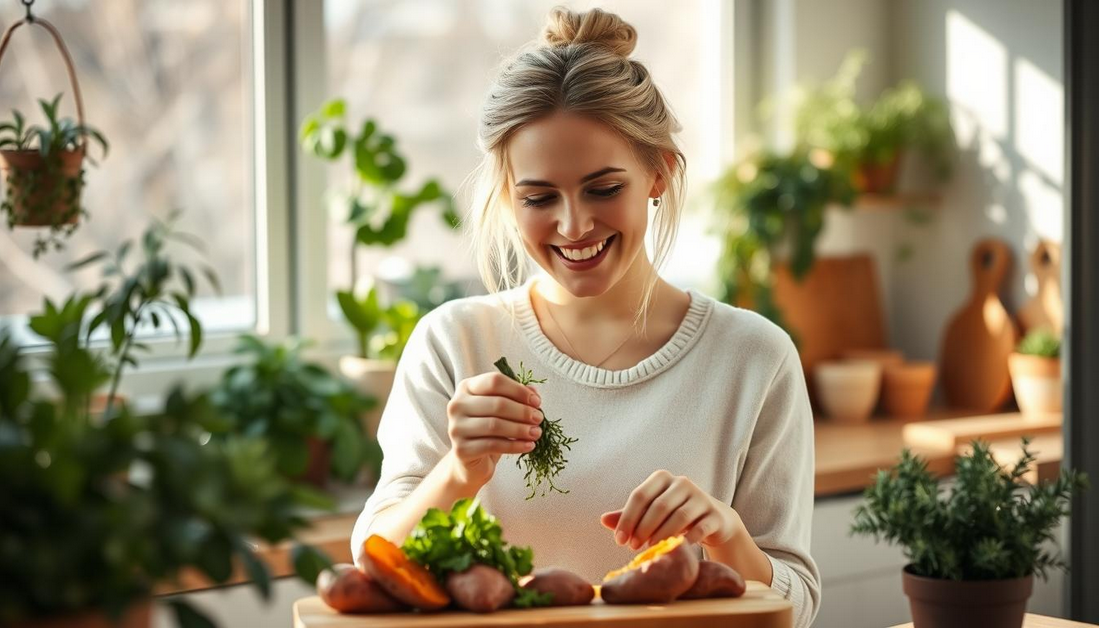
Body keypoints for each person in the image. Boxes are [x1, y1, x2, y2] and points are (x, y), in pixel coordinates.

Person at [351, 6, 819, 626]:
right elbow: (372, 564)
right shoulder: (454, 342)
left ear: (659, 172)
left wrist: (726, 534)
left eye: (603, 189)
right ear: (508, 198)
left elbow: (802, 601)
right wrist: (459, 472)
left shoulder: (753, 358)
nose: (574, 226)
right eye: (540, 198)